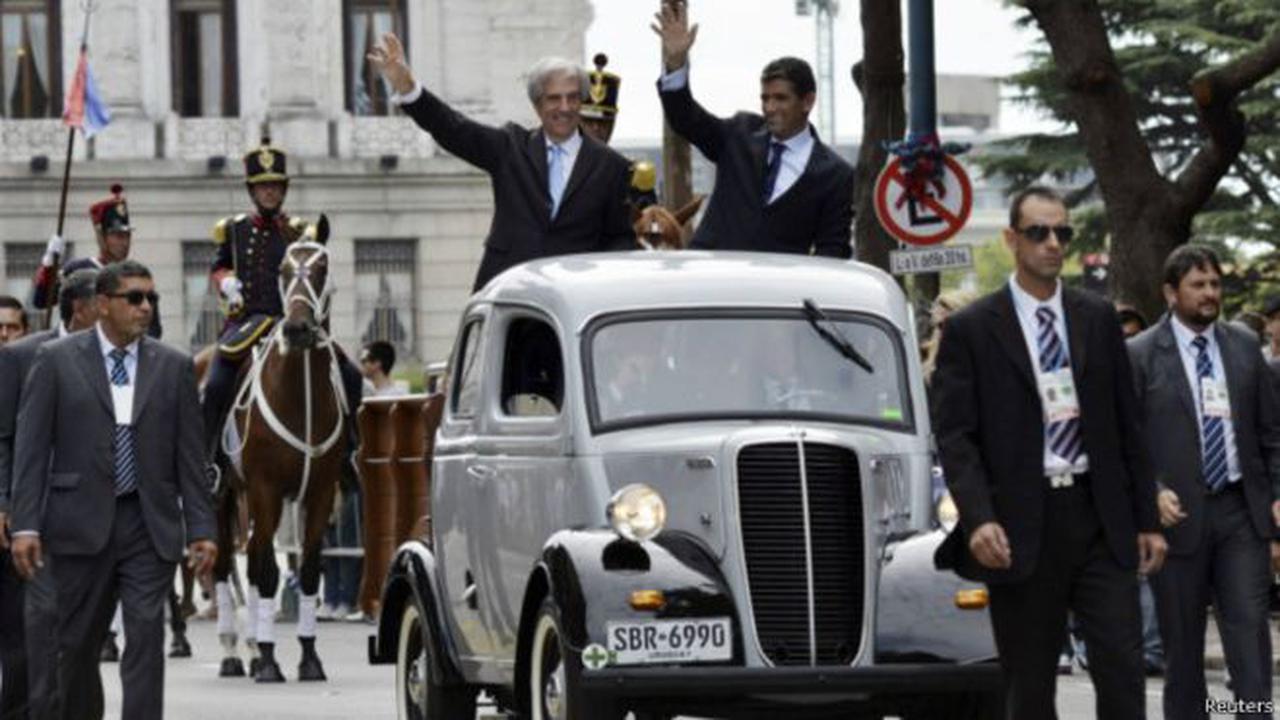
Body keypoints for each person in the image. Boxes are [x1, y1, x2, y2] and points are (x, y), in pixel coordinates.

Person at [931, 186, 1166, 719]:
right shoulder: (972, 330)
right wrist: (978, 517)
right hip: (1020, 524)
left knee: (1123, 670)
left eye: (1063, 232)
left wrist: (1146, 518)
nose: (1053, 243)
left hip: (1099, 517)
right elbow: (956, 435)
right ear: (1012, 239)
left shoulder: (1098, 318)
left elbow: (1127, 424)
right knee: (1031, 684)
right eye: (1039, 232)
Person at [8, 260, 216, 720]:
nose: (146, 307)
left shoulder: (174, 366)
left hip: (147, 526)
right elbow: (31, 448)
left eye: (151, 298)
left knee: (145, 638)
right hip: (74, 526)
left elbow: (190, 457)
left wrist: (202, 527)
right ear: (103, 305)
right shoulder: (57, 360)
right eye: (135, 298)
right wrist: (24, 524)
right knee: (74, 648)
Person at [1127, 245, 1280, 720]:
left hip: (1240, 514)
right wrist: (1151, 492)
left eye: (1215, 283)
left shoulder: (1243, 349)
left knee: (1250, 638)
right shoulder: (1140, 354)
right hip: (1177, 520)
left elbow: (1271, 434)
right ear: (1171, 293)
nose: (1210, 293)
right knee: (1183, 649)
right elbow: (1125, 442)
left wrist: (1277, 498)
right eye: (1198, 285)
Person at [366, 34, 633, 291]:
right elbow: (454, 129)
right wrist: (410, 89)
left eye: (572, 97)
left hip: (572, 305)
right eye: (554, 98)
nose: (564, 107)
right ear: (537, 105)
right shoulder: (511, 147)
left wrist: (593, 278)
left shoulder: (613, 167)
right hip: (509, 295)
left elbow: (621, 239)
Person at [202, 138, 364, 483]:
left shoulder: (300, 232)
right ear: (252, 191)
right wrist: (226, 281)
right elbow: (217, 267)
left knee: (350, 375)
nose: (270, 193)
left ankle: (350, 453)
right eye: (263, 187)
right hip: (246, 324)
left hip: (291, 322)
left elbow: (311, 271)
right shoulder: (233, 230)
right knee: (215, 384)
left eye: (275, 186)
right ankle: (210, 461)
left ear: (284, 190)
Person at [652, 1, 854, 257]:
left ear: (808, 101)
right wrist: (676, 64)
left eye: (780, 98)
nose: (769, 107)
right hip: (710, 279)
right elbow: (686, 119)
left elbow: (832, 252)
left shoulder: (835, 175)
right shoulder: (739, 134)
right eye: (765, 98)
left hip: (773, 293)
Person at [0, 270, 98, 719]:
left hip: (90, 519)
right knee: (31, 631)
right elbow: (6, 438)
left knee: (80, 636)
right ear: (82, 306)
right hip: (31, 514)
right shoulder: (22, 357)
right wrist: (7, 503)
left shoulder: (117, 356)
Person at [29, 185, 162, 339]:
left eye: (127, 236)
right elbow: (41, 300)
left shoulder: (137, 276)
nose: (124, 242)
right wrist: (50, 262)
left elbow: (153, 329)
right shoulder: (78, 270)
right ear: (101, 236)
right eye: (117, 236)